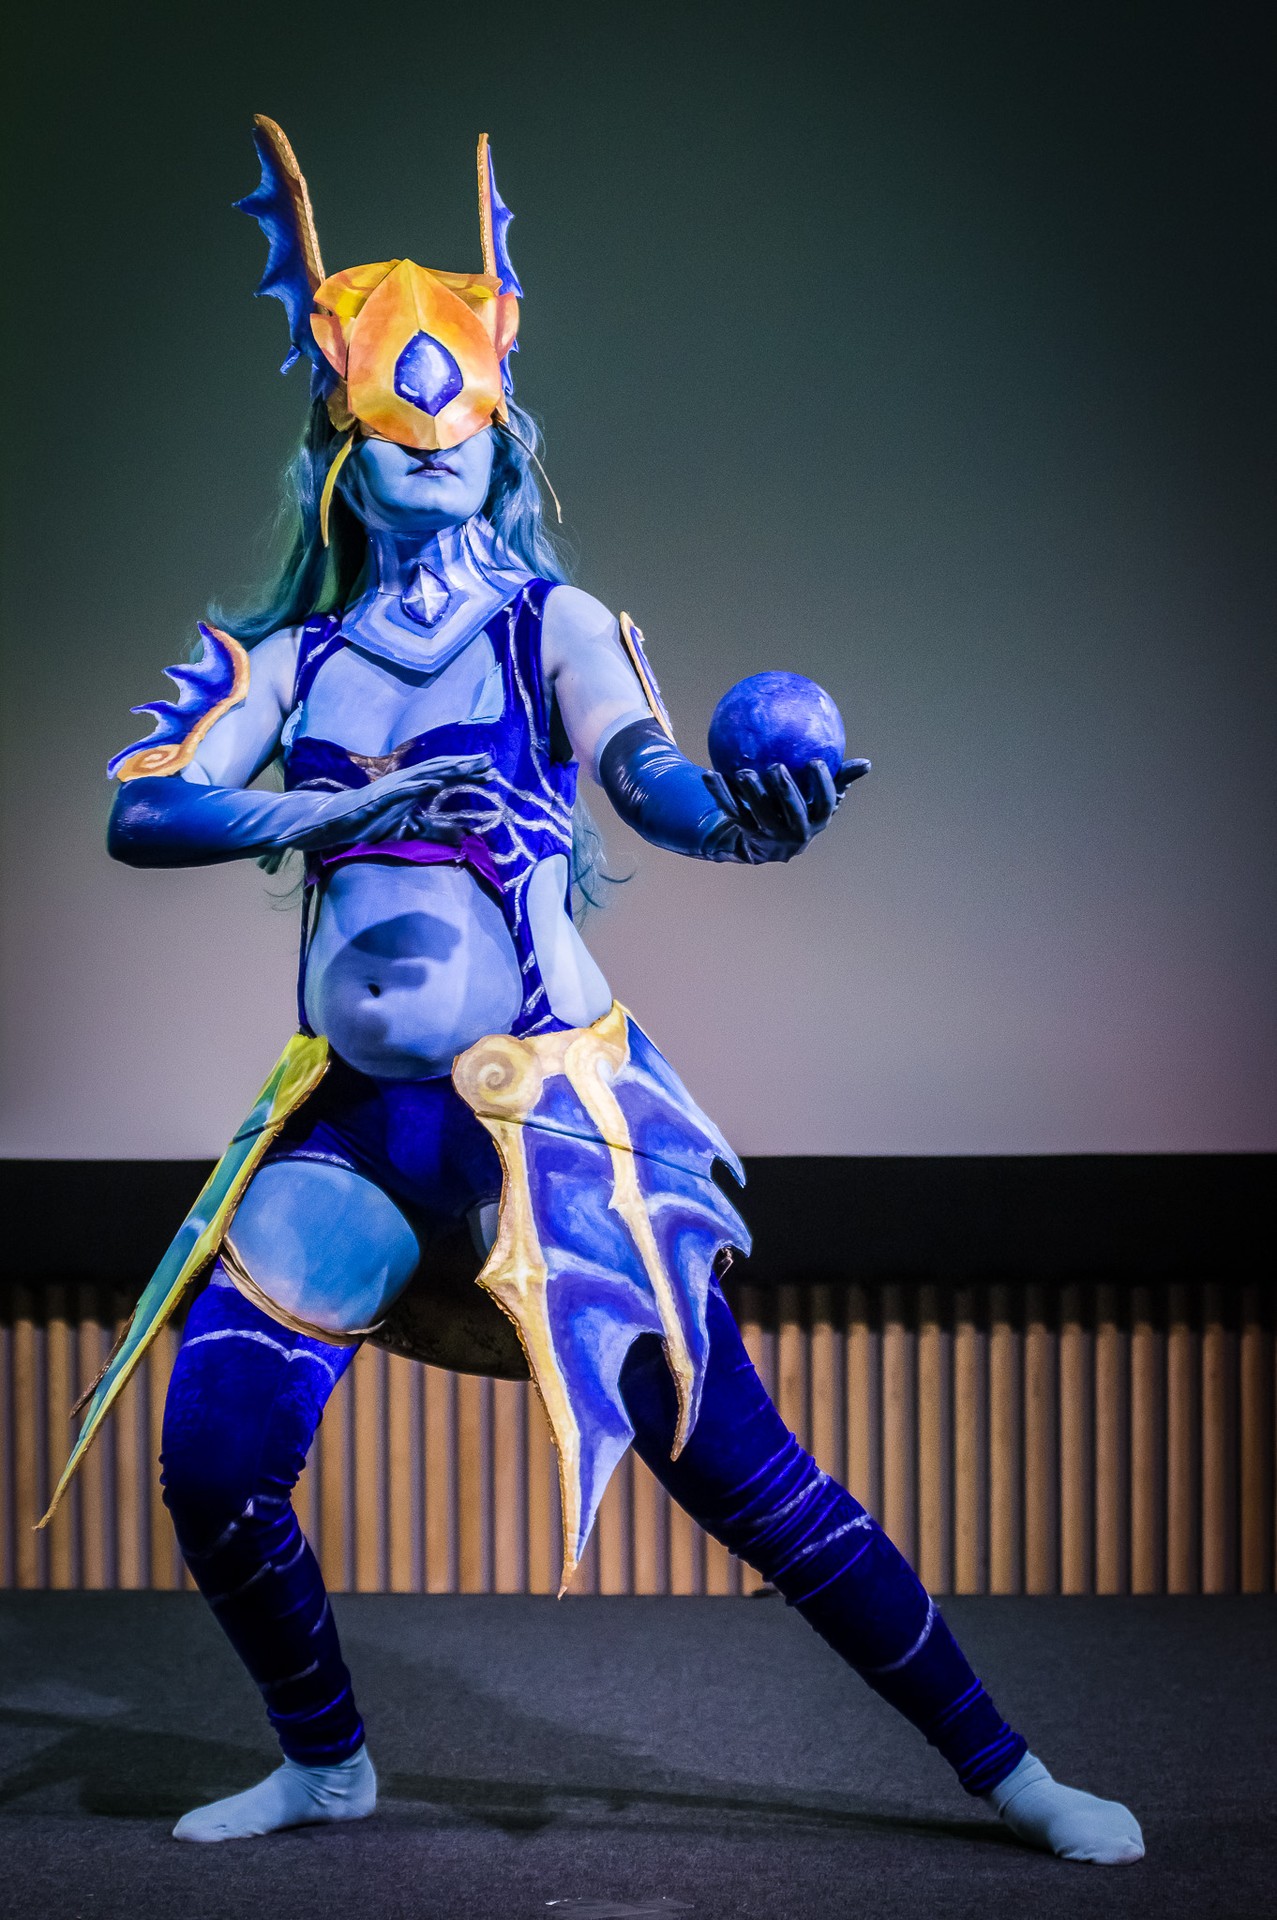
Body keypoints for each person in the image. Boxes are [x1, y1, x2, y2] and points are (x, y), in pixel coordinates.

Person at [45, 118, 1143, 1864]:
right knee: (214, 1455)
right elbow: (139, 811)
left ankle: (1010, 1772)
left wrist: (754, 821)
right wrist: (326, 810)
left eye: (461, 424)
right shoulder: (290, 664)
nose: (434, 448)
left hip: (544, 1124)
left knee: (751, 1482)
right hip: (348, 1134)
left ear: (498, 437)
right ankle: (327, 1761)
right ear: (341, 445)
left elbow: (655, 788)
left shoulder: (554, 625)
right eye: (397, 429)